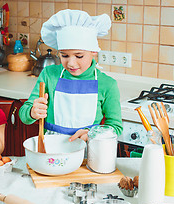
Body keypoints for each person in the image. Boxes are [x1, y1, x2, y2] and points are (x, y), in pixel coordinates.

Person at [19, 9, 123, 142]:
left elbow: (115, 127)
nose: (71, 63)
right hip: (52, 149)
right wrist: (32, 112)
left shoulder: (108, 84)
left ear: (93, 51)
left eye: (79, 56)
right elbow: (24, 114)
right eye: (64, 55)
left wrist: (91, 134)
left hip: (88, 150)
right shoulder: (49, 75)